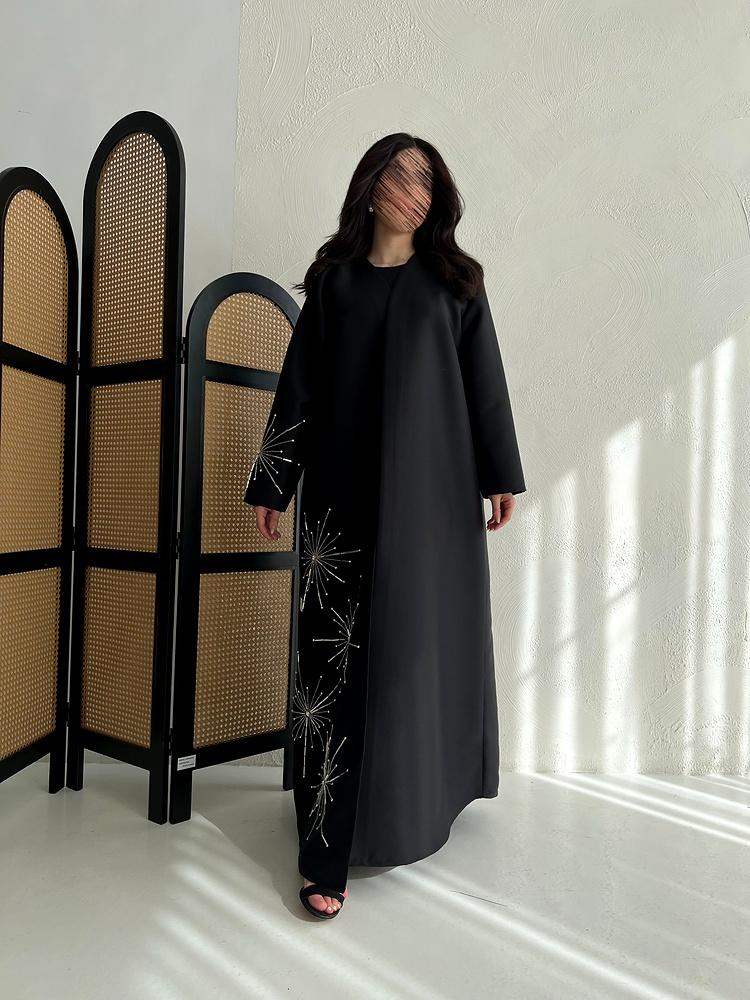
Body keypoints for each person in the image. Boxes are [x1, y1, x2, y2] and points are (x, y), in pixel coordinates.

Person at [244, 133, 526, 919]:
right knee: (335, 669)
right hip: (339, 510)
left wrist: (500, 475)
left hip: (433, 508)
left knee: (414, 659)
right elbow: (299, 389)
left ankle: (424, 802)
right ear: (370, 186)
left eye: (426, 182)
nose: (412, 193)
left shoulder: (456, 284)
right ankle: (325, 848)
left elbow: (485, 386)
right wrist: (273, 483)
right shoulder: (334, 285)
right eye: (400, 177)